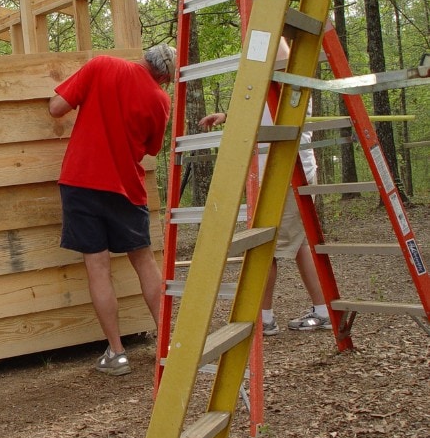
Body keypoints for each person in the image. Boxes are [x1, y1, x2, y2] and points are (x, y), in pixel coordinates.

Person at [48, 44, 176, 376]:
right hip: (126, 189)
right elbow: (151, 149)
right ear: (164, 77)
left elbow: (56, 107)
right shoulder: (161, 99)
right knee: (145, 262)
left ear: (144, 57)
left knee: (98, 268)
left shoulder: (102, 65)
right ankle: (169, 344)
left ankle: (117, 354)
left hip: (81, 181)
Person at [199, 105, 332, 336]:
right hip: (281, 172)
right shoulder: (278, 79)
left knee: (265, 246)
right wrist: (229, 116)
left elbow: (271, 115)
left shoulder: (287, 77)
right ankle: (320, 310)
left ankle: (266, 318)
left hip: (286, 174)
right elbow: (262, 111)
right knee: (296, 245)